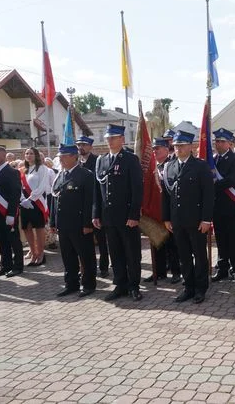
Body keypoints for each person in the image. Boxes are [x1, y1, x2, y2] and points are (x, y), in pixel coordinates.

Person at [162, 130, 214, 304]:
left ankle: (200, 289)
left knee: (199, 256)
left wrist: (206, 219)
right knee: (183, 256)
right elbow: (166, 195)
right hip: (177, 220)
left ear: (191, 146)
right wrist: (167, 218)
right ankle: (188, 287)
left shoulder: (200, 166)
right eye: (176, 146)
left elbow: (208, 195)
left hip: (196, 220)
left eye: (182, 146)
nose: (178, 149)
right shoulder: (169, 166)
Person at [93, 124, 144, 302]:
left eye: (113, 137)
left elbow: (137, 189)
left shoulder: (130, 159)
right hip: (109, 217)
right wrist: (96, 213)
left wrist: (133, 215)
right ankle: (120, 284)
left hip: (126, 216)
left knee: (132, 253)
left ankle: (134, 286)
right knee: (115, 252)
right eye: (108, 138)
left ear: (122, 139)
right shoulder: (102, 160)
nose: (109, 140)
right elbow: (98, 190)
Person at [51, 144, 97, 297]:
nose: (60, 159)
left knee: (86, 256)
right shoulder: (60, 175)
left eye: (63, 156)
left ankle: (89, 284)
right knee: (67, 256)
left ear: (73, 157)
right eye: (60, 156)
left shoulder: (85, 175)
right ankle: (71, 284)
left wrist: (87, 224)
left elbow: (89, 201)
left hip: (79, 224)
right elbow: (55, 200)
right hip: (63, 224)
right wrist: (53, 222)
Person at [144, 138, 181, 284]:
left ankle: (176, 272)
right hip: (155, 212)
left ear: (167, 149)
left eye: (158, 148)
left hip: (170, 212)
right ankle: (159, 272)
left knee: (172, 245)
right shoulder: (153, 168)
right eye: (153, 149)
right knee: (157, 243)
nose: (155, 151)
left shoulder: (172, 165)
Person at [210, 128, 235, 284]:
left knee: (234, 239)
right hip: (218, 207)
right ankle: (222, 268)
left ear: (230, 143)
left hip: (232, 206)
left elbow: (231, 180)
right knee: (221, 239)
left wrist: (212, 185)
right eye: (216, 141)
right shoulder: (213, 159)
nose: (218, 143)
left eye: (221, 141)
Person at [76, 135, 110, 277]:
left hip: (96, 206)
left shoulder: (97, 161)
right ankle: (86, 267)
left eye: (84, 145)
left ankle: (103, 267)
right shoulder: (76, 163)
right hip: (81, 209)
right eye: (78, 145)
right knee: (84, 241)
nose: (80, 148)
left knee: (101, 240)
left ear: (90, 146)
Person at [20, 147, 50, 267]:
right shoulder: (22, 170)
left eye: (31, 153)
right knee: (27, 228)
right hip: (24, 202)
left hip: (36, 202)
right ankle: (33, 253)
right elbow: (19, 186)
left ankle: (41, 254)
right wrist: (23, 199)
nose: (29, 155)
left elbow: (42, 186)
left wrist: (30, 199)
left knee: (38, 228)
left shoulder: (42, 168)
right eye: (27, 153)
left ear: (36, 155)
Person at [0, 147, 24, 278]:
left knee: (14, 240)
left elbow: (15, 194)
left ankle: (18, 266)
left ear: (2, 155)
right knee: (2, 240)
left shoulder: (12, 172)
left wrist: (11, 214)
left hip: (8, 212)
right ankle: (5, 265)